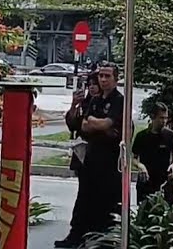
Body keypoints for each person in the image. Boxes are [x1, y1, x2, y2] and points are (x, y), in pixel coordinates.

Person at [56, 62, 123, 248]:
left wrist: (96, 123)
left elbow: (107, 125)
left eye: (107, 76)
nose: (102, 80)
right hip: (90, 159)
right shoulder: (94, 100)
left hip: (109, 161)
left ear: (115, 78)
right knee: (84, 199)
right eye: (100, 76)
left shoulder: (119, 100)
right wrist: (95, 122)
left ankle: (102, 239)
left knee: (106, 201)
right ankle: (77, 236)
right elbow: (83, 125)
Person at [132, 103, 173, 204]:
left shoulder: (171, 136)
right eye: (161, 118)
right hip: (146, 180)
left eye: (166, 118)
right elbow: (133, 157)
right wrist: (140, 166)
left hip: (164, 181)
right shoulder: (141, 136)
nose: (164, 121)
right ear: (152, 117)